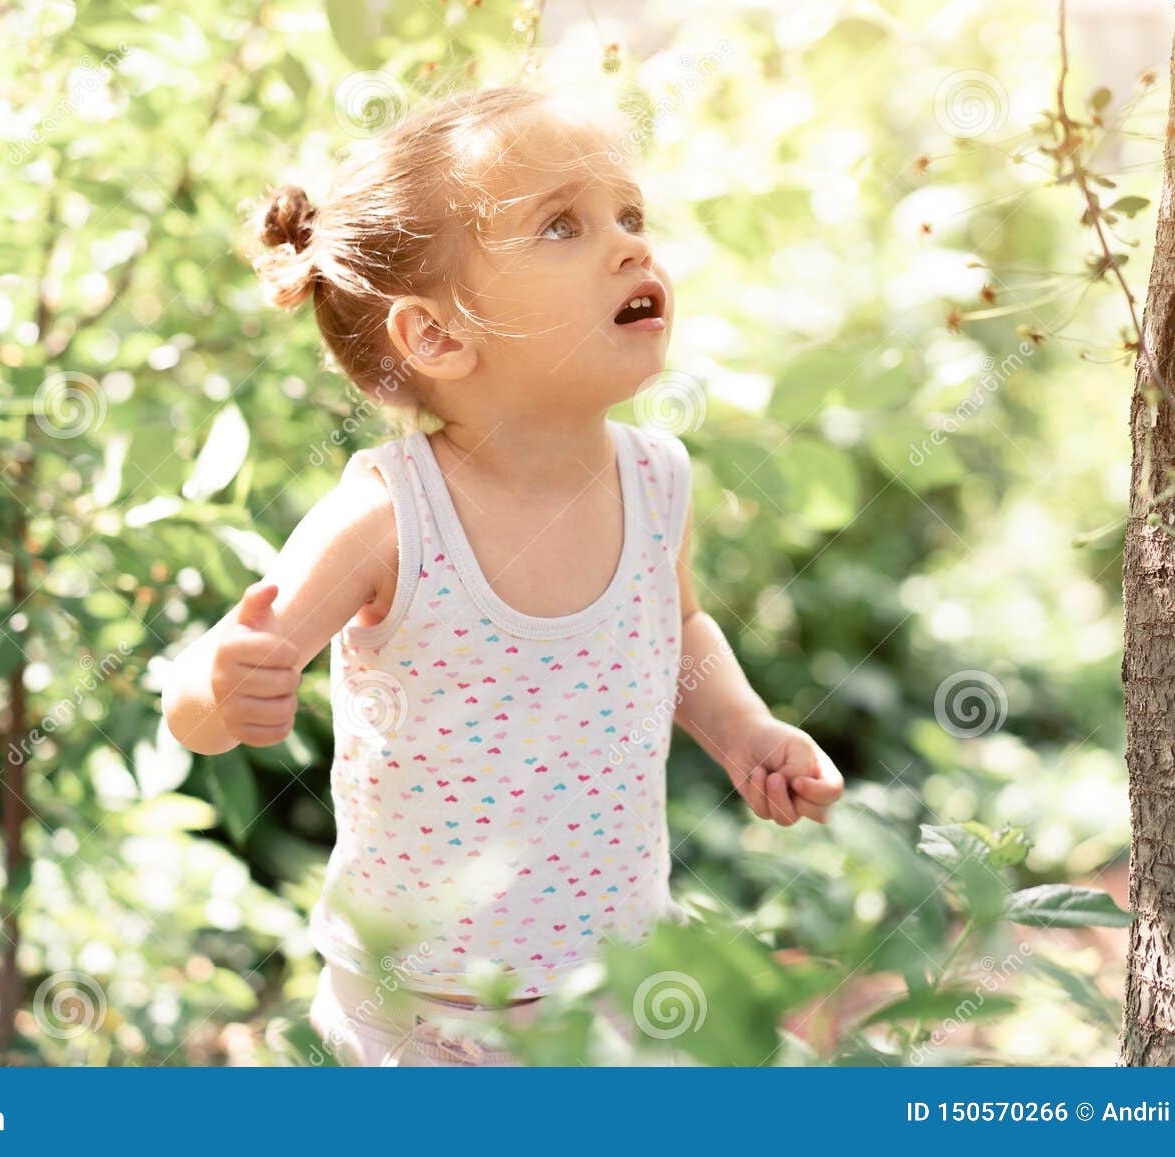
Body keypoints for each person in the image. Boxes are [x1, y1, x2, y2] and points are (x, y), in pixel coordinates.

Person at [163, 85, 844, 1066]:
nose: (629, 247)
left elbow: (680, 629)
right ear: (436, 335)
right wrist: (215, 684)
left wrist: (742, 730)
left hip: (614, 987)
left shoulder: (657, 480)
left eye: (630, 215)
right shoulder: (389, 516)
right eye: (563, 224)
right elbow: (206, 701)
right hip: (424, 1021)